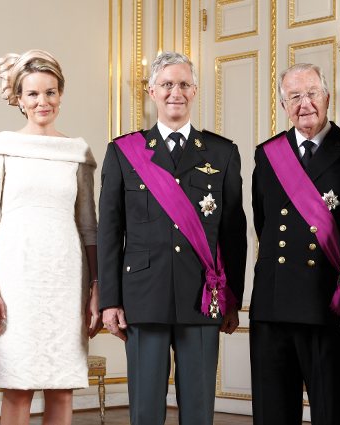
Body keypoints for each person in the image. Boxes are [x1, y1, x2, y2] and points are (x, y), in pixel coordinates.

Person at [97, 51, 247, 425]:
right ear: (151, 91)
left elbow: (233, 232)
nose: (174, 92)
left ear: (195, 91)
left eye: (183, 84)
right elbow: (110, 230)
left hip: (201, 294)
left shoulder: (222, 152)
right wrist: (110, 300)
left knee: (198, 408)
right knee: (145, 408)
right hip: (143, 292)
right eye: (166, 84)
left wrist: (232, 299)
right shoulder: (123, 152)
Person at [0, 49, 101, 425]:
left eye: (50, 92)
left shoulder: (77, 152)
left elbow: (89, 227)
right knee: (18, 386)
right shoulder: (0, 147)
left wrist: (96, 286)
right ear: (18, 98)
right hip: (15, 280)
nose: (42, 101)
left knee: (61, 387)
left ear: (61, 94)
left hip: (66, 279)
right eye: (33, 94)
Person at [249, 63, 340, 425]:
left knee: (329, 412)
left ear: (327, 97)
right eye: (294, 97)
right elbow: (264, 223)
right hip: (273, 306)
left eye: (311, 94)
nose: (304, 104)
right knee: (272, 414)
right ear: (283, 105)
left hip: (328, 304)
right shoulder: (267, 153)